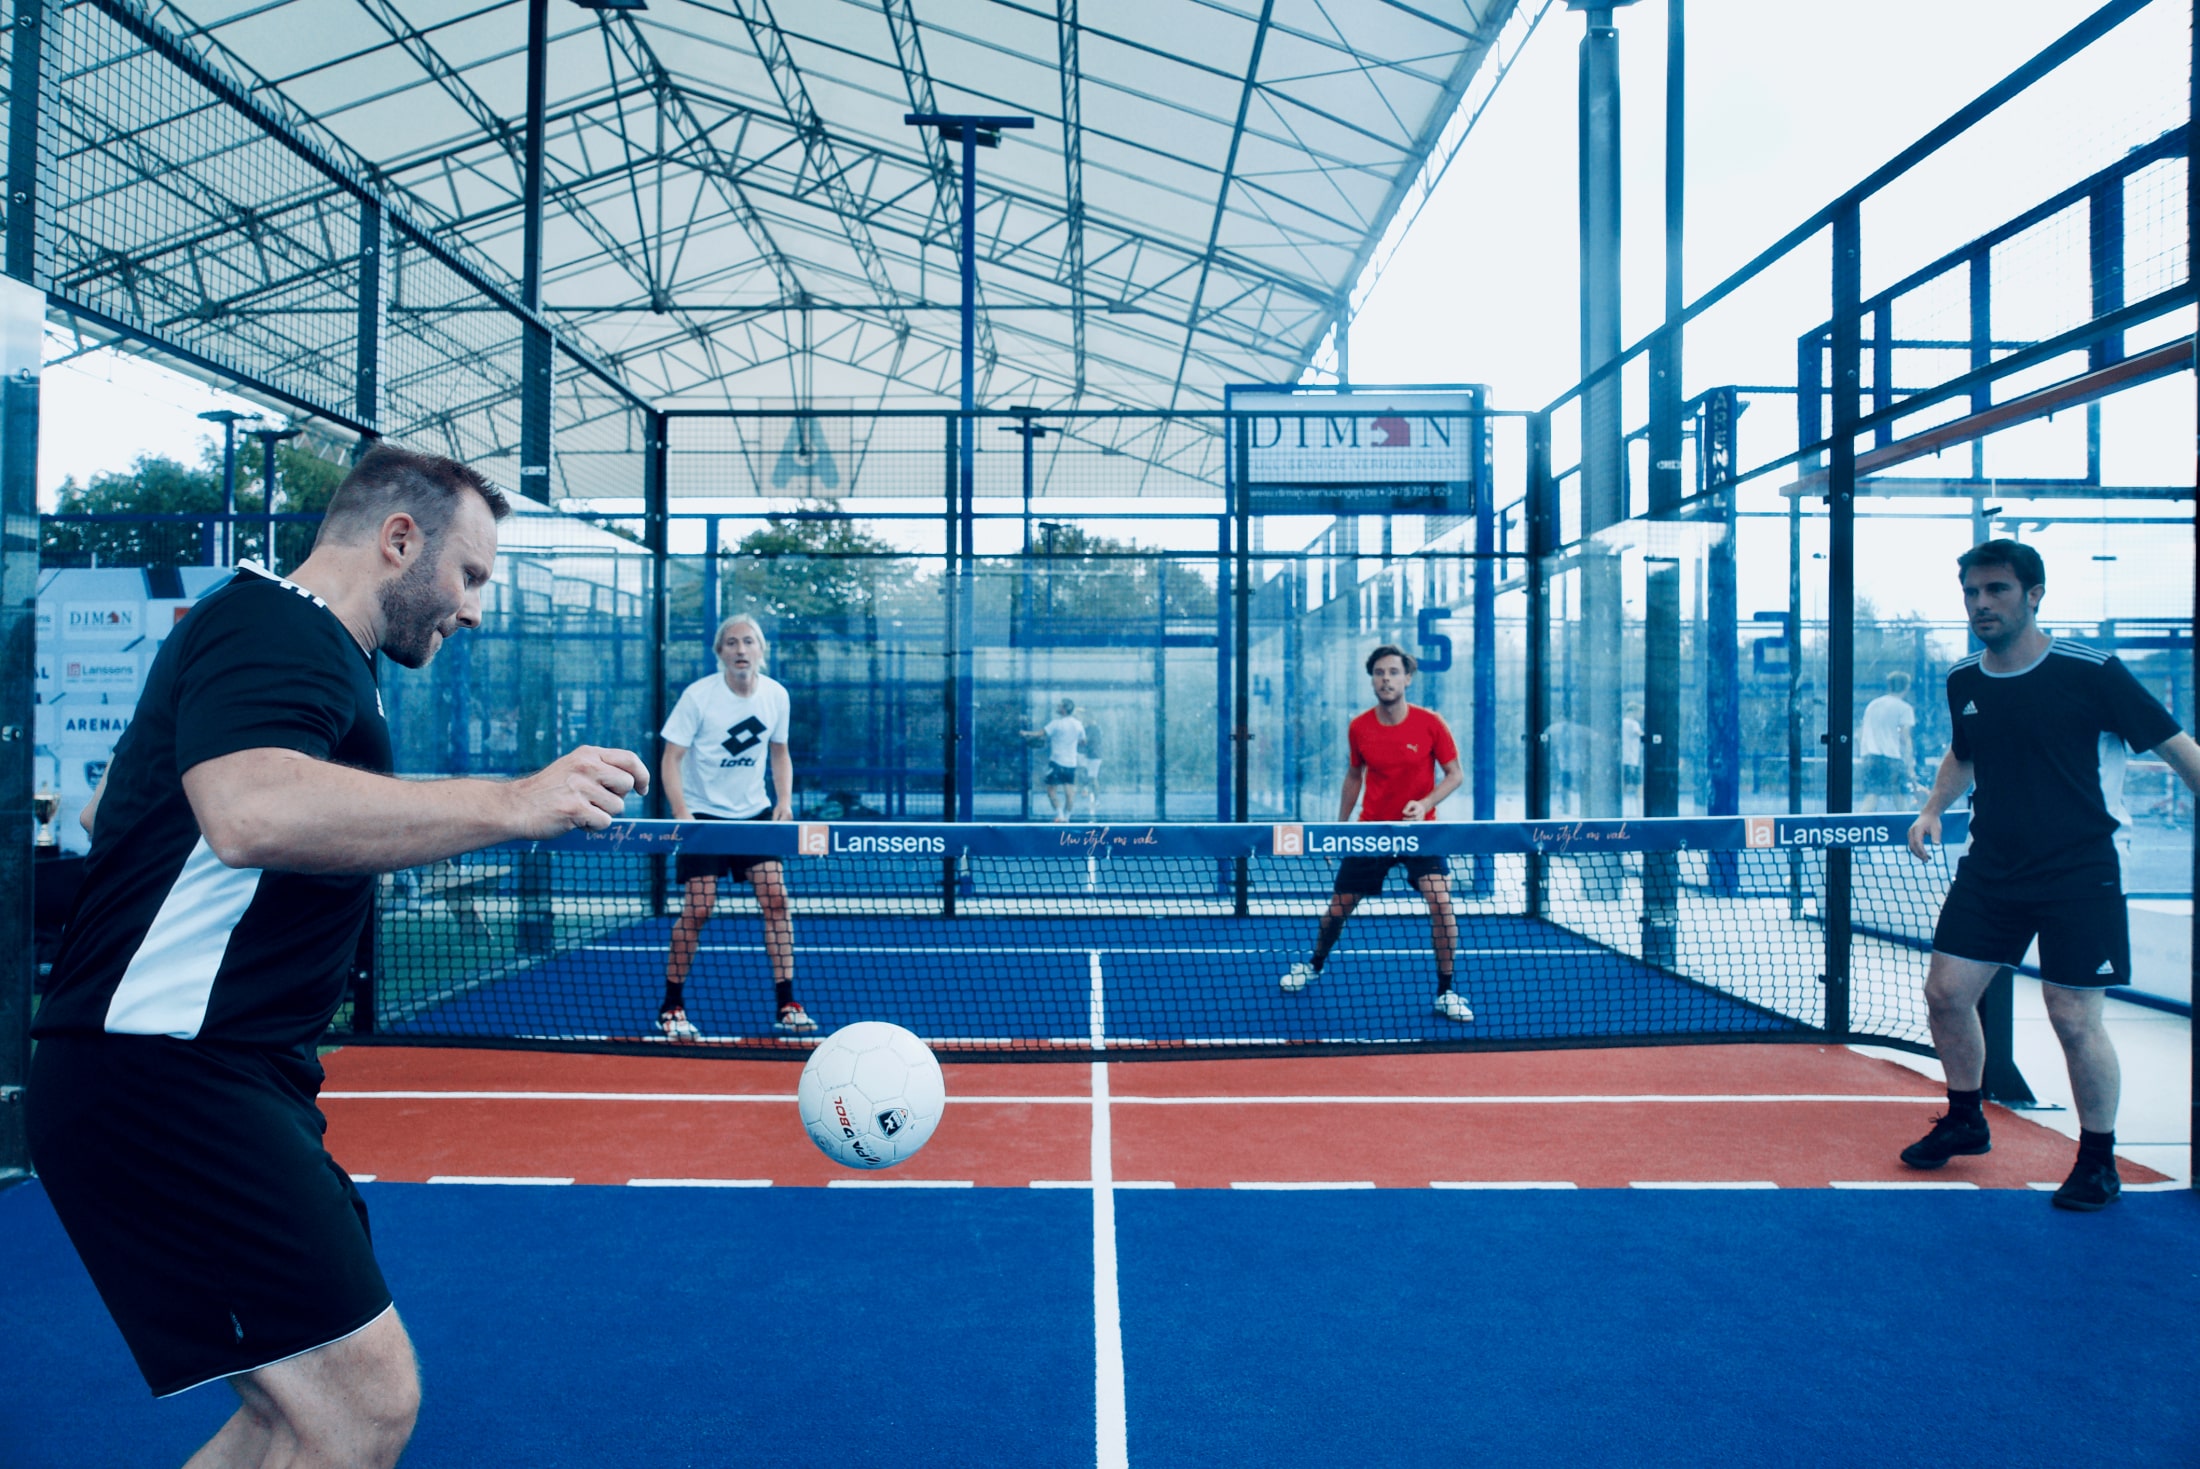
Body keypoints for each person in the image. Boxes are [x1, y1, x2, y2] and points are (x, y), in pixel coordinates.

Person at [28, 443, 648, 1467]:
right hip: (167, 1074)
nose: (476, 608)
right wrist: (509, 801)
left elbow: (114, 810)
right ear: (399, 539)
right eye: (471, 574)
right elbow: (251, 808)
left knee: (296, 1414)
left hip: (195, 1070)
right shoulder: (282, 629)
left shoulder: (271, 637)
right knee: (364, 1401)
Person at [1902, 540, 2200, 1209]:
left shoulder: (2092, 672)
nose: (1981, 604)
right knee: (1947, 993)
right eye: (1972, 593)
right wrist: (1931, 809)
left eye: (1997, 590)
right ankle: (1966, 1117)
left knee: (2072, 1015)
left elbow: (2181, 751)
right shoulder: (1965, 681)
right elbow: (1963, 753)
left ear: (2034, 594)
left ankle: (2097, 1159)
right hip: (1992, 868)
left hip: (2081, 868)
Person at [1281, 645, 1473, 1023]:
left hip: (1420, 833)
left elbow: (1455, 775)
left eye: (1393, 672)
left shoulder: (1432, 723)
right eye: (1379, 673)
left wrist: (1424, 802)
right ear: (1372, 679)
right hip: (1372, 831)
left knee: (1441, 902)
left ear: (1408, 678)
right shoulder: (1359, 727)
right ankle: (1314, 964)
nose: (1386, 679)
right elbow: (1355, 776)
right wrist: (1339, 827)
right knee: (1338, 910)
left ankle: (1446, 990)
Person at [657, 612, 811, 1039]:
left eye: (748, 642)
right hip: (703, 815)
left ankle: (788, 1003)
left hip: (755, 814)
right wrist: (682, 813)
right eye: (732, 643)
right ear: (720, 652)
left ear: (761, 650)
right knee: (699, 908)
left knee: (777, 900)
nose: (741, 650)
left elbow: (779, 752)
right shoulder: (698, 697)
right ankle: (672, 1006)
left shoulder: (776, 696)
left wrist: (784, 801)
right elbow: (672, 758)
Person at [1859, 670, 1917, 812]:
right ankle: (1906, 828)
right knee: (1899, 795)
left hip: (1869, 756)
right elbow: (1905, 738)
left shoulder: (1873, 705)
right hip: (1891, 757)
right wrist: (1910, 764)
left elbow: (1861, 732)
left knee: (1871, 795)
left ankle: (1858, 827)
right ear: (1907, 687)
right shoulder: (1904, 708)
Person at [1022, 697, 1085, 822]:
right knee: (1069, 791)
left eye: (1059, 706)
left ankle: (1060, 815)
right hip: (1071, 763)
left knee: (1051, 790)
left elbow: (1040, 733)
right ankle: (1066, 818)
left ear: (1064, 709)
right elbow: (1083, 741)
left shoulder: (1056, 723)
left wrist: (1025, 733)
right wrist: (1072, 742)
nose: (1057, 707)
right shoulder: (1078, 724)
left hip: (1056, 762)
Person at [1077, 716, 1104, 819]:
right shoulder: (1092, 728)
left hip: (1093, 756)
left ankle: (1096, 799)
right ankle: (1087, 791)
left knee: (1092, 778)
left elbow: (1085, 741)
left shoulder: (1093, 729)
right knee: (1086, 775)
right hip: (1089, 755)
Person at [1620, 702, 1645, 812]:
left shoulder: (1622, 723)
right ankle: (1640, 810)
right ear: (1634, 712)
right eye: (1640, 712)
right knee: (1639, 785)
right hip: (1632, 760)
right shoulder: (1633, 723)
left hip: (1625, 759)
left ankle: (1620, 807)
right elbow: (1641, 735)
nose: (1642, 716)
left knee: (1625, 785)